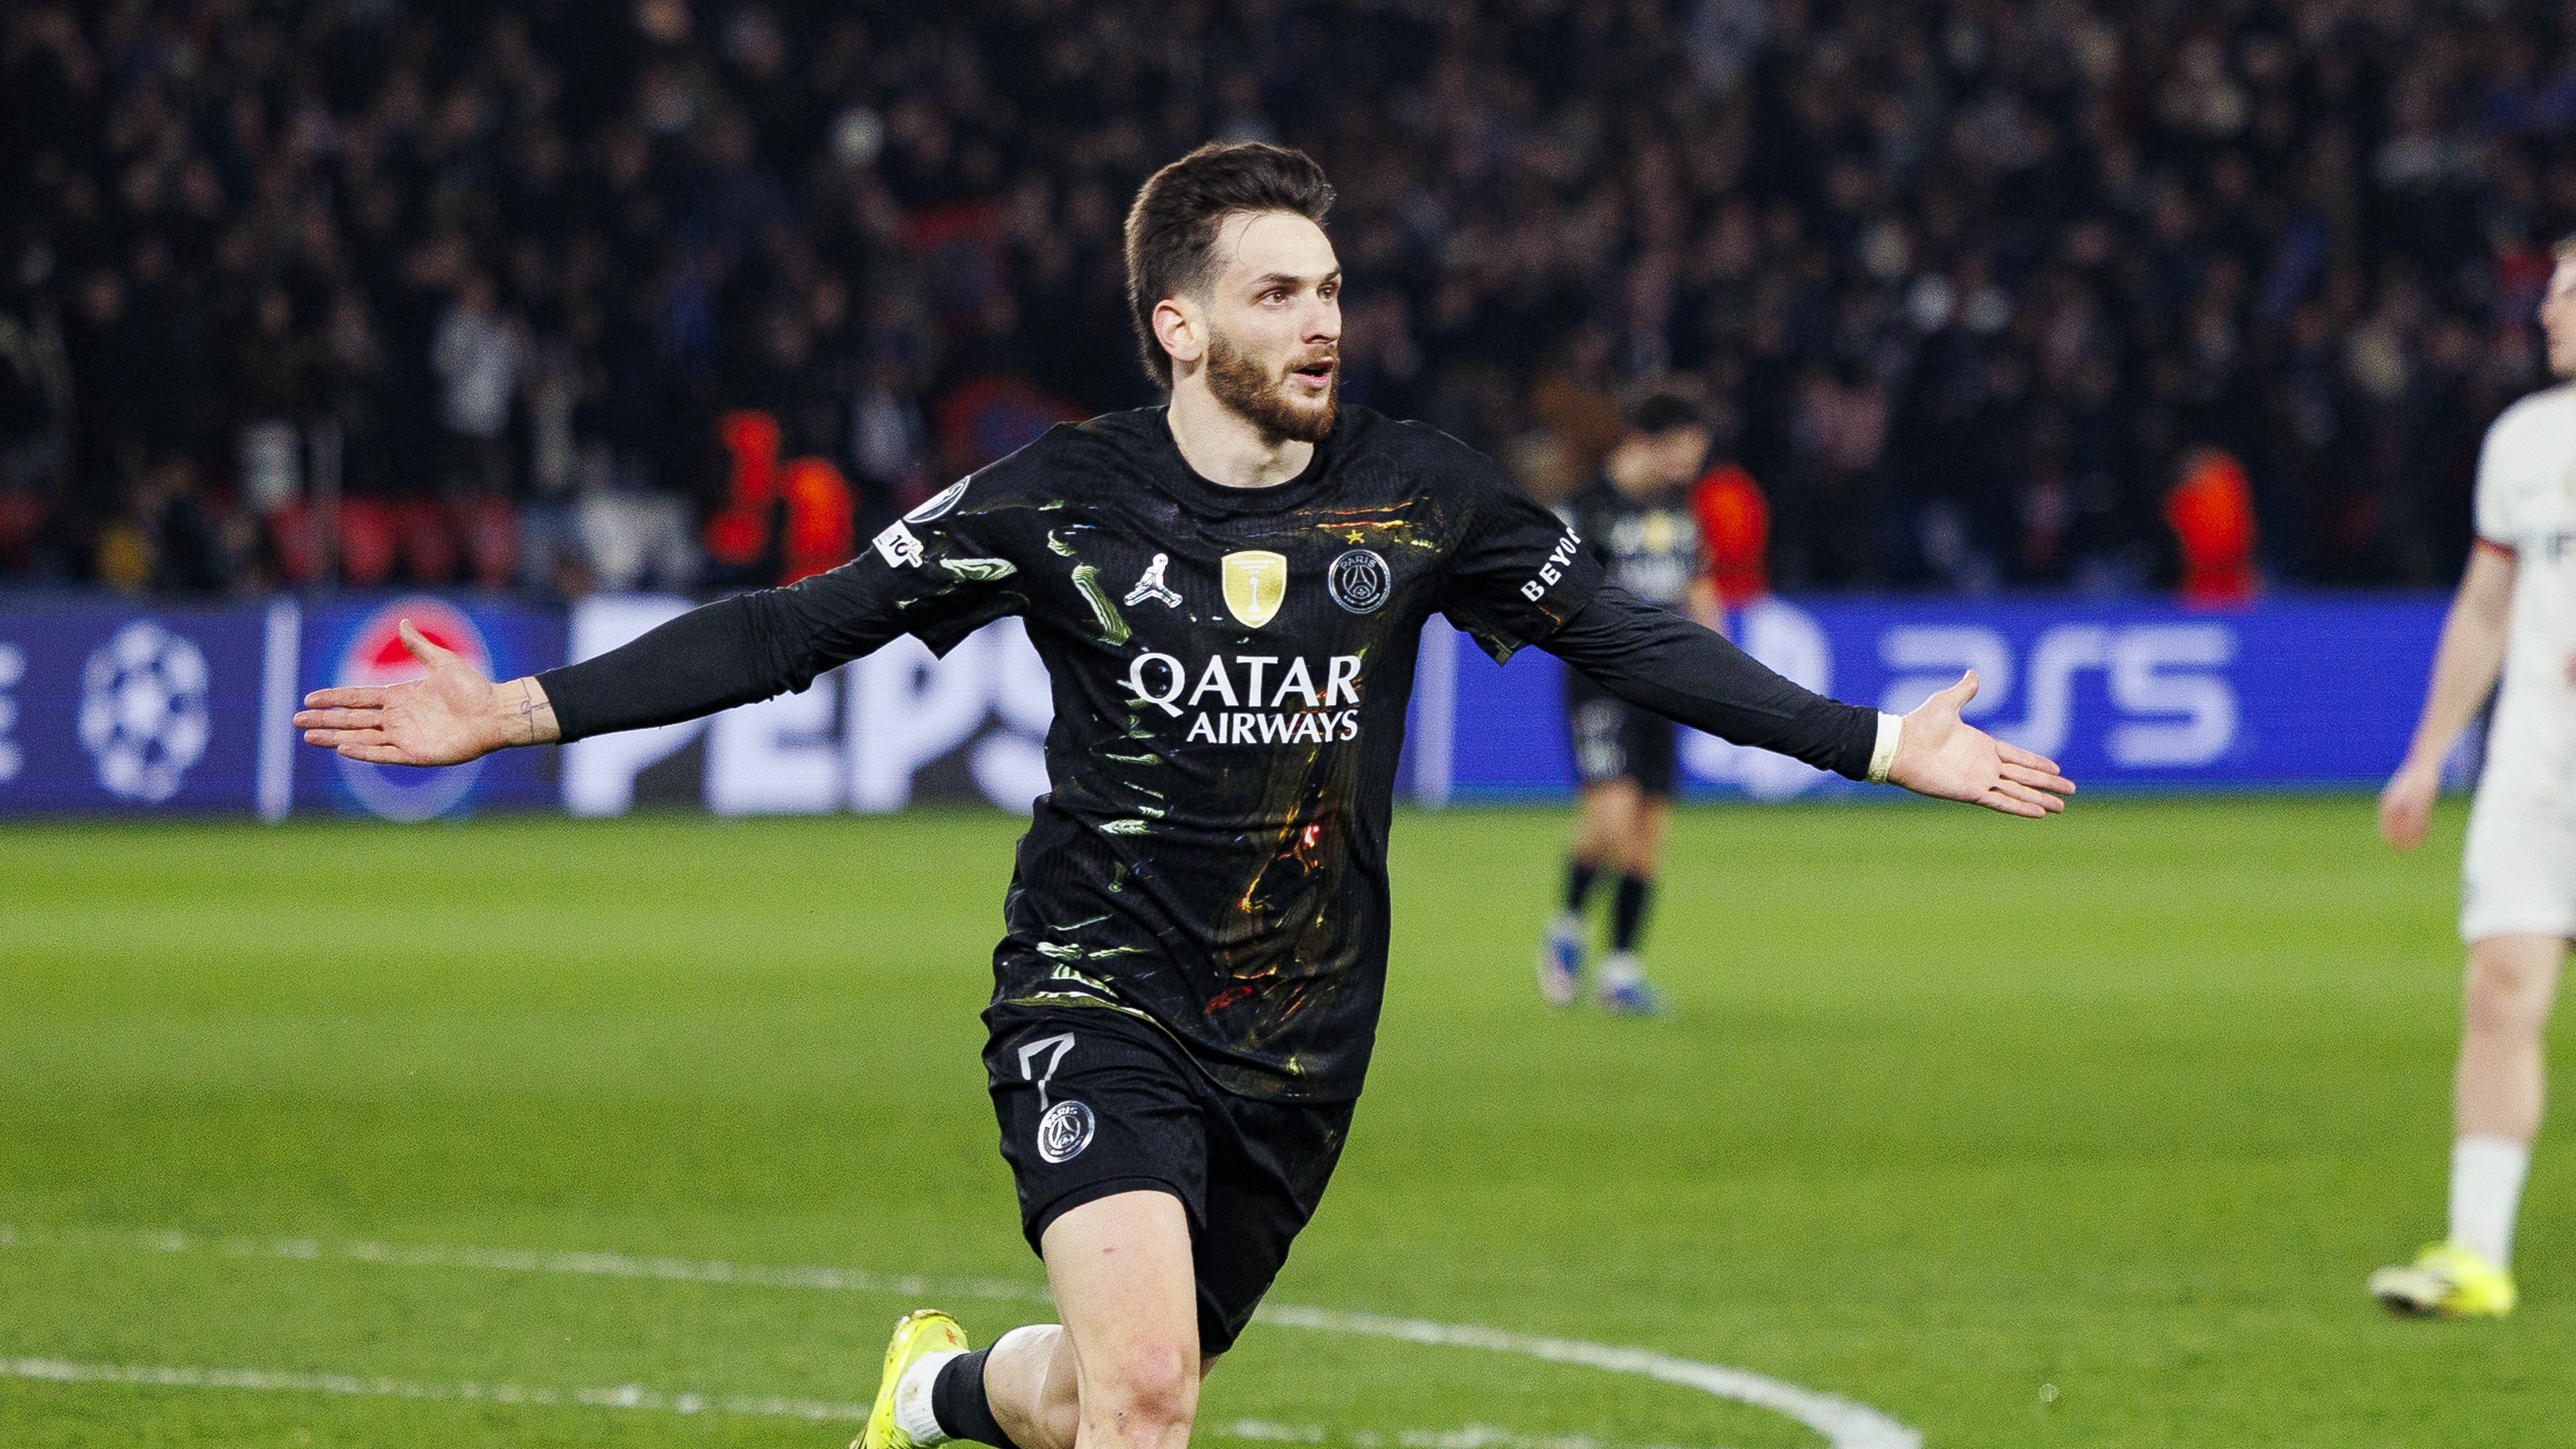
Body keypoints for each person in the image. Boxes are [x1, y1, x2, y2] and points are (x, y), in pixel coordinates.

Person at [296, 142, 2072, 1449]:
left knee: (1095, 1394)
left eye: (1334, 288)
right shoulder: (1057, 500)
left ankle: (930, 1396)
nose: (1325, 323)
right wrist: (515, 708)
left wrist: (1869, 741)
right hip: (1098, 991)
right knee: (1151, 1399)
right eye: (1280, 292)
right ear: (1179, 322)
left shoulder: (1417, 496)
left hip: (1304, 1037)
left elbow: (1625, 638)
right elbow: (800, 626)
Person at [2369, 239, 2576, 1320]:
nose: (2548, 313)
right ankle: (2475, 1256)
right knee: (2499, 993)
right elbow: (2487, 609)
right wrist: (2426, 754)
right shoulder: (2527, 442)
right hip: (2537, 775)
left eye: (2569, 294)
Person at [1537, 388, 1718, 1014]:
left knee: (1648, 838)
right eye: (1685, 453)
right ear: (1647, 442)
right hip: (1601, 684)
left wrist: (1716, 665)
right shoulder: (1585, 509)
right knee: (1610, 822)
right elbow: (1551, 598)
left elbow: (1699, 586)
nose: (1691, 467)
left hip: (1664, 686)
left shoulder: (1680, 509)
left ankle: (1620, 973)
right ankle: (1565, 926)